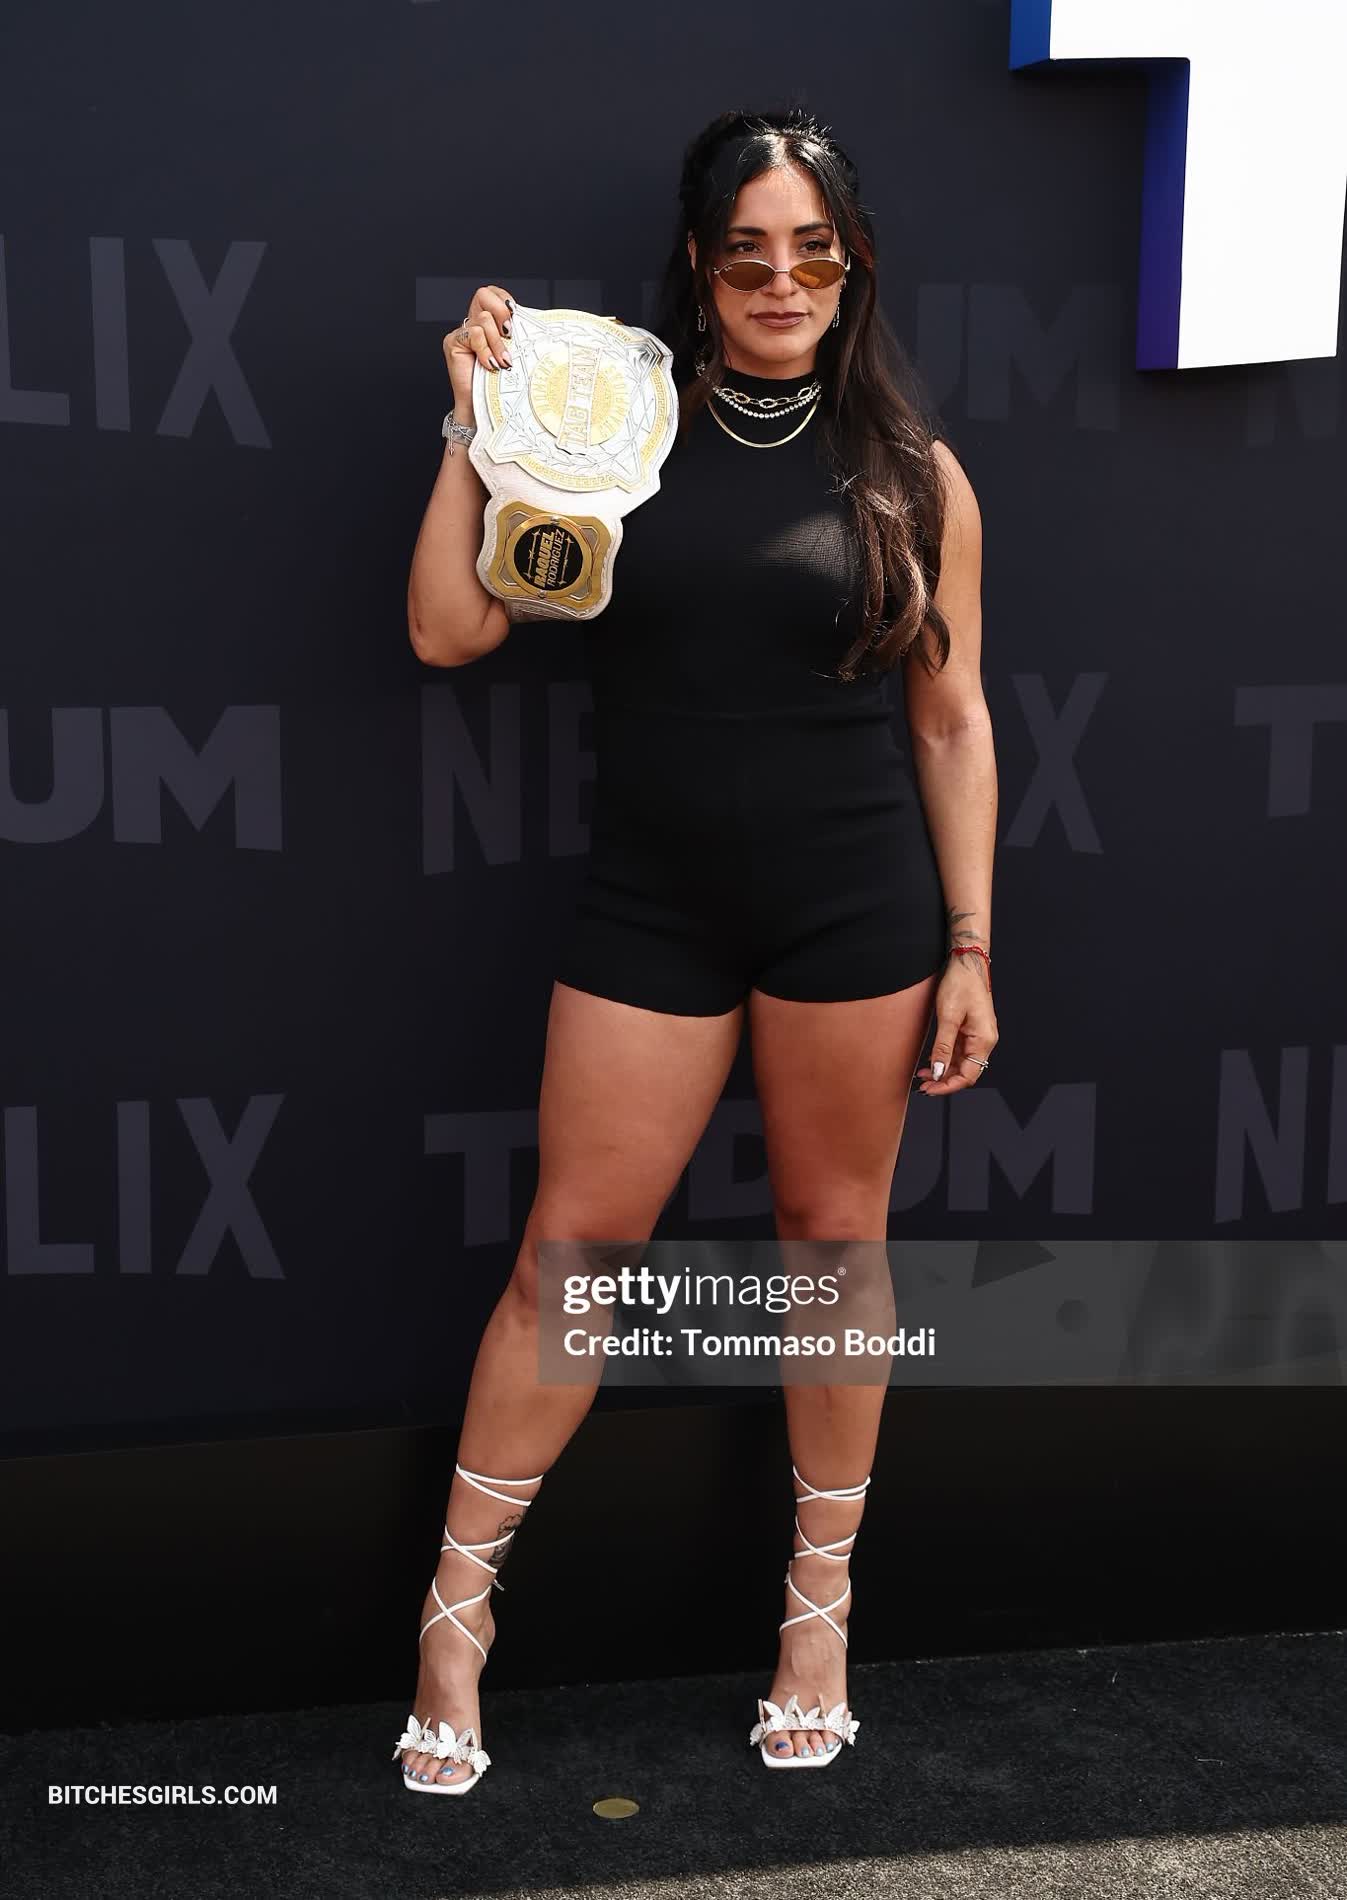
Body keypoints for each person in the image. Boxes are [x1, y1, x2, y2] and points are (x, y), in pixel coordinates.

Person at [396, 104, 998, 1793]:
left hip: (856, 912)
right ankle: (454, 1617)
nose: (780, 281)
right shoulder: (610, 426)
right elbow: (449, 628)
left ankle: (820, 1612)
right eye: (746, 253)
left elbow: (950, 720)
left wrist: (969, 942)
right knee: (571, 1260)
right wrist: (476, 423)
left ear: (853, 264)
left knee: (833, 1254)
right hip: (650, 909)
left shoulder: (912, 472)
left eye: (812, 251)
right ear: (699, 263)